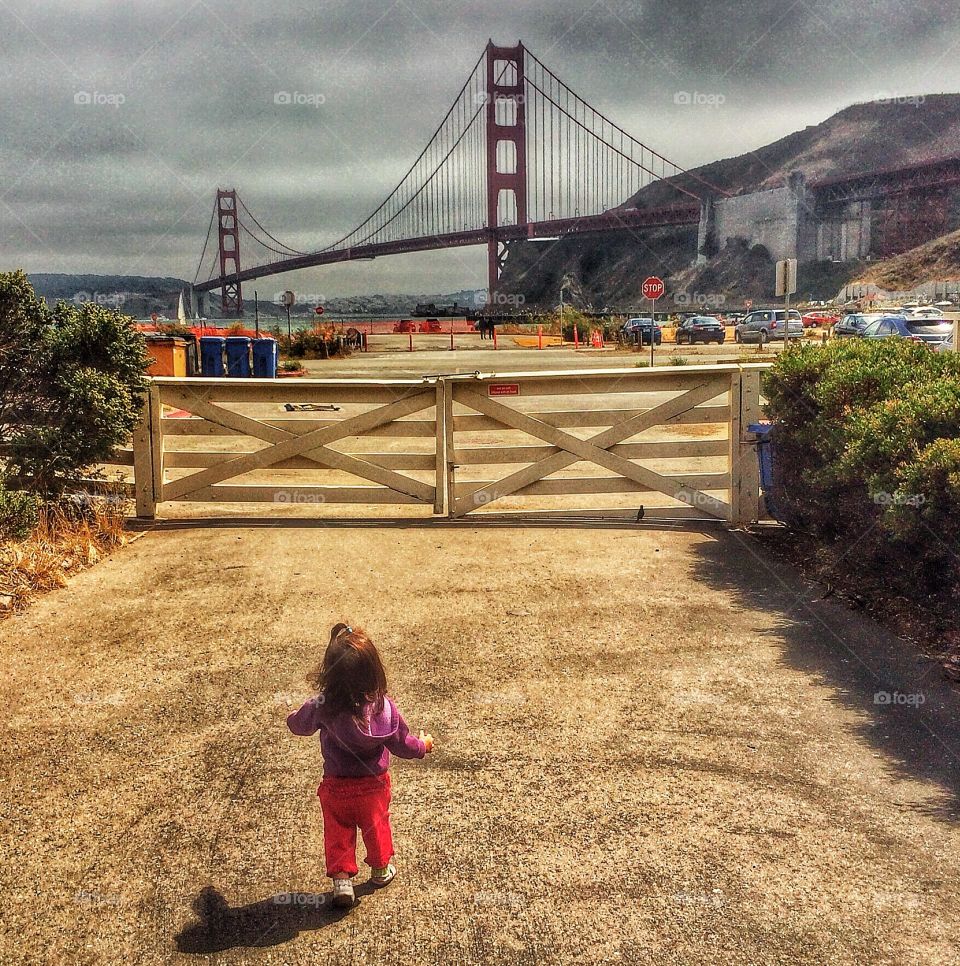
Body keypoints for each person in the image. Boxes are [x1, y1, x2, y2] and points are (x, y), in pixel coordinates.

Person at [287, 623, 434, 908]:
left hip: (336, 786)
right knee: (376, 825)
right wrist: (423, 746)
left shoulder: (323, 704)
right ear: (373, 671)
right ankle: (380, 869)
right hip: (374, 785)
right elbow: (404, 743)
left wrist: (291, 718)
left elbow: (299, 724)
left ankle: (342, 881)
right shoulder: (385, 708)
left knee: (338, 830)